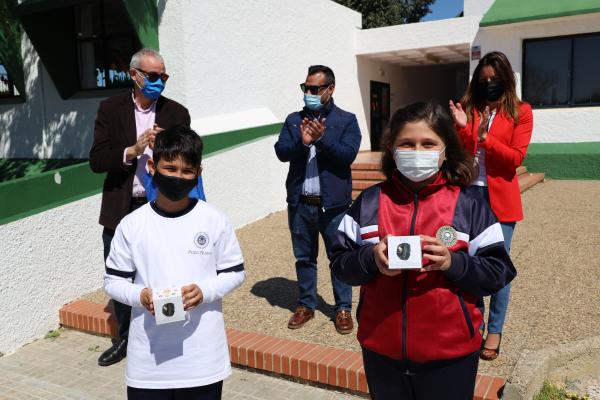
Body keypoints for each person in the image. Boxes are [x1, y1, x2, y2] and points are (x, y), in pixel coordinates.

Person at [330, 101, 516, 399]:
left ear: (445, 150)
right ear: (392, 148)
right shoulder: (369, 202)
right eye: (408, 143)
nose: (417, 152)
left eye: (428, 143)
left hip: (450, 356)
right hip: (381, 350)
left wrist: (454, 263)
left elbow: (498, 271)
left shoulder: (470, 204)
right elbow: (340, 264)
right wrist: (370, 258)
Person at [104, 126, 245, 400]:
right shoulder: (132, 225)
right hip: (148, 362)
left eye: (187, 171)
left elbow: (235, 273)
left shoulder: (214, 220)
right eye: (170, 167)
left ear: (198, 174)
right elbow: (113, 281)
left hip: (202, 360)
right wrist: (139, 295)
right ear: (151, 166)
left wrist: (204, 291)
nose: (178, 177)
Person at [90, 48, 199, 366]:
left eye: (163, 77)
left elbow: (190, 157)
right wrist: (132, 149)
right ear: (134, 75)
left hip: (163, 205)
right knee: (120, 275)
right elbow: (97, 160)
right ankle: (126, 338)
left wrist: (172, 145)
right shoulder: (110, 109)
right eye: (153, 76)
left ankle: (169, 336)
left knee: (167, 270)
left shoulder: (177, 113)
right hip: (122, 206)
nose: (159, 82)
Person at [449, 51, 533, 361]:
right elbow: (460, 152)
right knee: (466, 262)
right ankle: (473, 324)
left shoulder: (521, 112)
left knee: (497, 268)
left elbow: (515, 159)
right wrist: (462, 128)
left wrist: (486, 139)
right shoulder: (469, 107)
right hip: (467, 196)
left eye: (495, 80)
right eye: (483, 80)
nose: (489, 85)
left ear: (506, 79)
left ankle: (494, 330)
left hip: (500, 200)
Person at [274, 65, 361, 334]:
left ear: (330, 89)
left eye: (314, 89)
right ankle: (306, 305)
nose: (308, 93)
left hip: (333, 206)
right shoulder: (293, 120)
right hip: (301, 203)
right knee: (304, 258)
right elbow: (281, 152)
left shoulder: (346, 120)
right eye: (305, 88)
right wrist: (302, 142)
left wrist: (321, 141)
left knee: (339, 258)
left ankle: (343, 308)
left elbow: (348, 156)